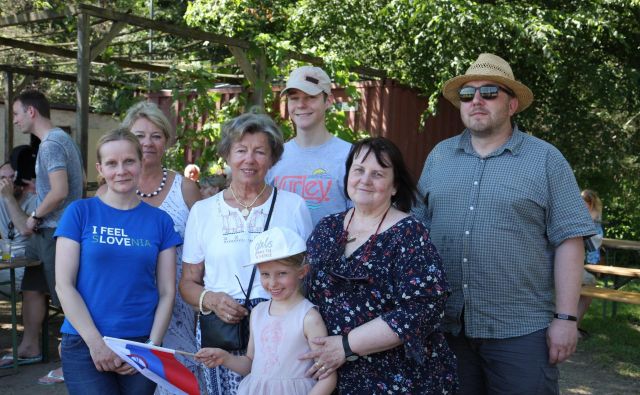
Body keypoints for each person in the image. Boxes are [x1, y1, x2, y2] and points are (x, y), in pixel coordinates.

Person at [413, 53, 595, 394]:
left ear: (512, 105)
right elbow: (414, 232)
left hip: (521, 332)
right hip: (447, 328)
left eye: (489, 92)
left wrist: (566, 318)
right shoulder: (439, 156)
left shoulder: (546, 160)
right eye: (468, 95)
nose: (476, 101)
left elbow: (570, 240)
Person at [302, 137, 458, 394]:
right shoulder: (327, 228)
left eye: (378, 174)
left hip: (393, 377)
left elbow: (423, 308)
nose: (365, 180)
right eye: (359, 170)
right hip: (328, 376)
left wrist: (345, 345)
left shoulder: (409, 233)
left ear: (394, 186)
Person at [180, 112, 313, 395]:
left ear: (273, 158)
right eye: (241, 150)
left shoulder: (293, 206)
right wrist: (212, 300)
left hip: (281, 327)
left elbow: (308, 273)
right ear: (227, 154)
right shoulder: (203, 212)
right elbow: (188, 283)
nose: (249, 160)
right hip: (221, 328)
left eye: (260, 151)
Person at [55, 128, 181, 394]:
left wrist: (151, 347)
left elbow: (168, 291)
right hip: (84, 342)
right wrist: (96, 344)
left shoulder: (160, 222)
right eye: (112, 163)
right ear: (100, 168)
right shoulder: (80, 212)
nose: (121, 170)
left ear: (140, 163)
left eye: (128, 161)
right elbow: (64, 285)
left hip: (140, 344)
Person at [196, 227, 337, 394]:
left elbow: (328, 376)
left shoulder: (308, 318)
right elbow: (251, 363)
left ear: (302, 272)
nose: (273, 283)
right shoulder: (258, 312)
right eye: (265, 274)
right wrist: (225, 358)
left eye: (282, 273)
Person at [0, 90, 84, 369]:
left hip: (56, 231)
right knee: (32, 288)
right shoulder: (58, 140)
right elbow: (79, 180)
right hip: (48, 231)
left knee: (65, 295)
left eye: (16, 113)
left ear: (31, 112)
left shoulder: (51, 144)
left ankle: (77, 356)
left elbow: (59, 191)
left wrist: (34, 216)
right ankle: (29, 346)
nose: (14, 120)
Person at [267, 65, 352, 226]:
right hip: (282, 251)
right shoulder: (274, 157)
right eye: (294, 98)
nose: (301, 105)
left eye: (310, 97)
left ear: (328, 101)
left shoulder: (351, 156)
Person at [0, 147, 37, 293]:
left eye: (10, 177)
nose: (6, 183)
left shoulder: (34, 200)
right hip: (6, 258)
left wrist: (9, 198)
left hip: (24, 266)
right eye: (2, 179)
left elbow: (25, 229)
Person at [577, 189, 604, 329]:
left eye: (586, 202)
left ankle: (575, 325)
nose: (583, 204)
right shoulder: (577, 216)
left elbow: (595, 239)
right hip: (573, 265)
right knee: (589, 284)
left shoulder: (594, 215)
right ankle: (574, 325)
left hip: (585, 259)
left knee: (589, 283)